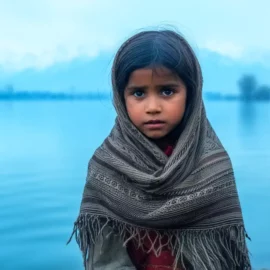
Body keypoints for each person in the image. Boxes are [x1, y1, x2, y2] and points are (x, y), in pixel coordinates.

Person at [67, 29, 251, 270]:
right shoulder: (107, 166)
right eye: (138, 93)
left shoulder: (211, 163)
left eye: (167, 91)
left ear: (191, 94)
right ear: (121, 98)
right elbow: (106, 264)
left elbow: (227, 257)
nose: (152, 107)